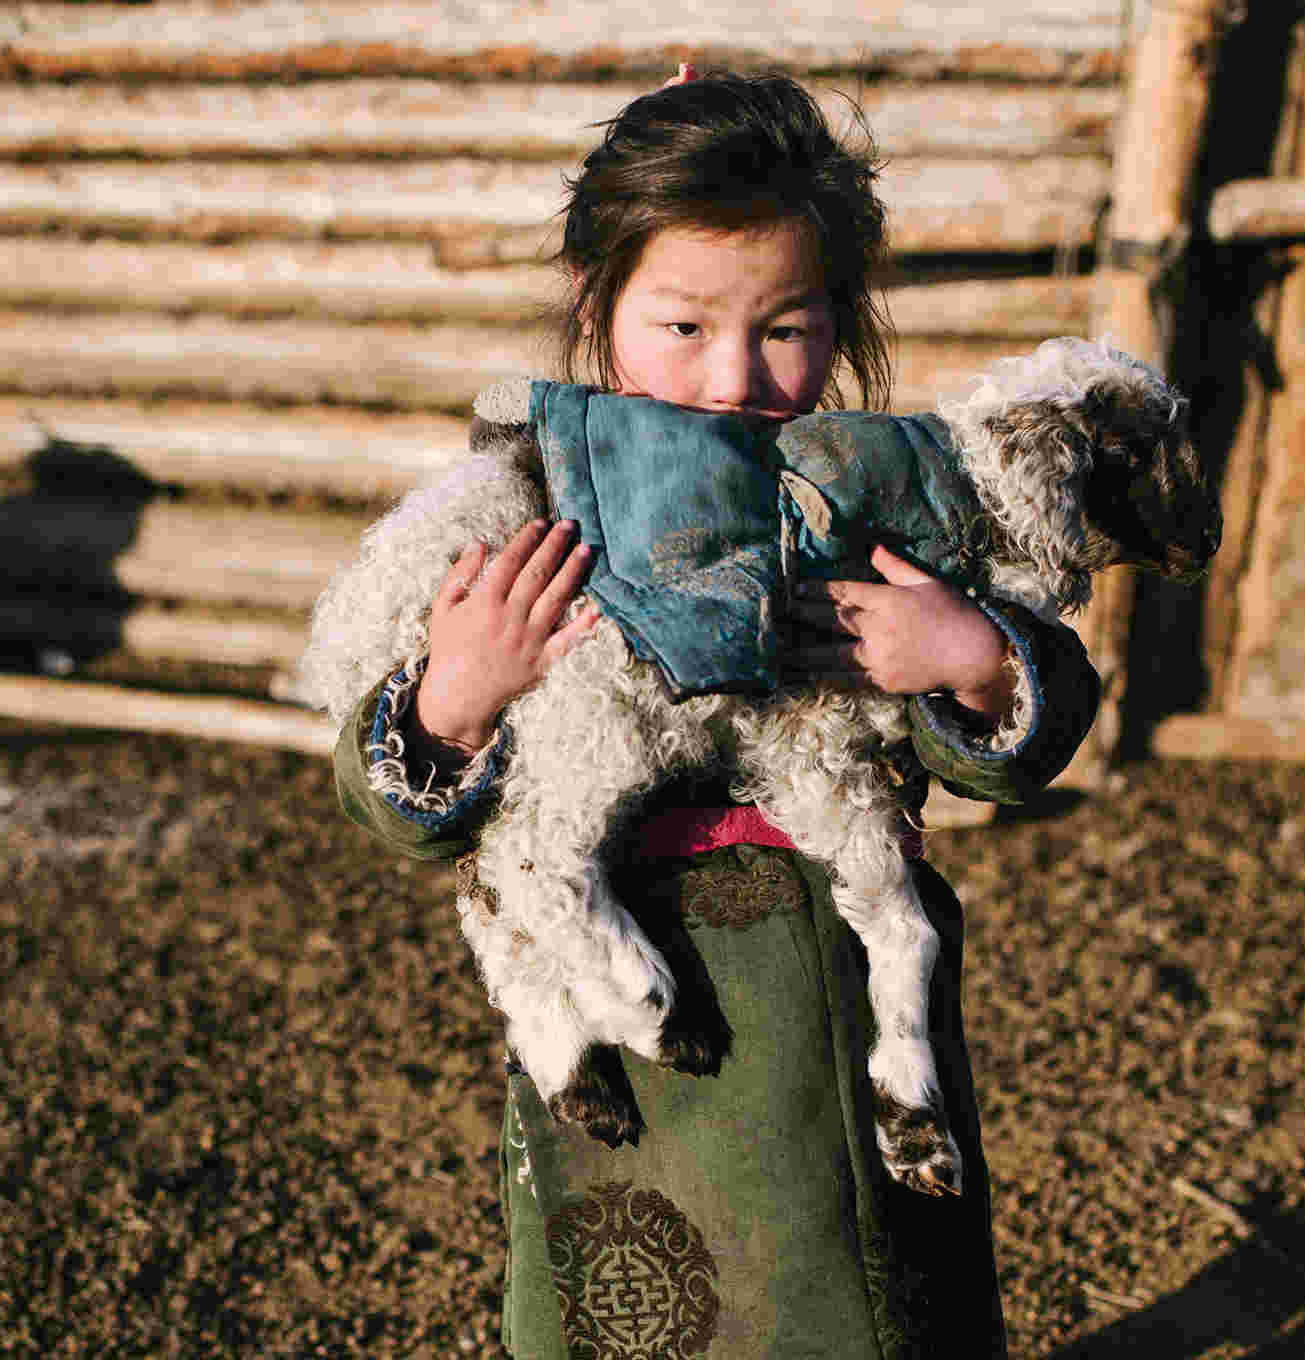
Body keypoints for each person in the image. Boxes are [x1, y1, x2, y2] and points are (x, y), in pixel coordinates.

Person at [303, 69, 1099, 1359]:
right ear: (599, 306)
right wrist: (456, 695)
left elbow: (1039, 710)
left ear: (840, 319)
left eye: (784, 328)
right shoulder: (522, 517)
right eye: (682, 325)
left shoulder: (869, 504)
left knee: (858, 1306)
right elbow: (389, 800)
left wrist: (968, 656)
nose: (735, 377)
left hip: (832, 1032)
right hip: (633, 1062)